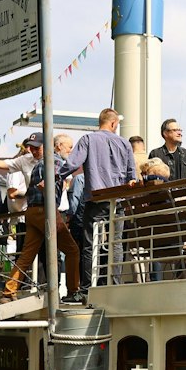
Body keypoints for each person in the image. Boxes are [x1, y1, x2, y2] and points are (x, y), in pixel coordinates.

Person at [62, 108, 139, 299]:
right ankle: (114, 283)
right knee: (116, 243)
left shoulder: (88, 139)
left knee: (90, 244)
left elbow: (72, 164)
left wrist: (54, 176)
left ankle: (88, 288)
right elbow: (132, 176)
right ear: (113, 123)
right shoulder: (124, 143)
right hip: (118, 200)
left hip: (96, 198)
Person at [0, 134, 81, 302]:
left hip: (32, 212)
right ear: (57, 146)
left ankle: (8, 291)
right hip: (46, 211)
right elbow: (50, 183)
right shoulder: (55, 161)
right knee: (72, 251)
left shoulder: (37, 164)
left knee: (27, 255)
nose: (71, 151)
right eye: (69, 147)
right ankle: (73, 291)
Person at [149, 118, 186, 183]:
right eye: (175, 130)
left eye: (180, 130)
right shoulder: (155, 154)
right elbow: (150, 178)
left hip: (184, 193)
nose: (179, 133)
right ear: (165, 133)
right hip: (164, 192)